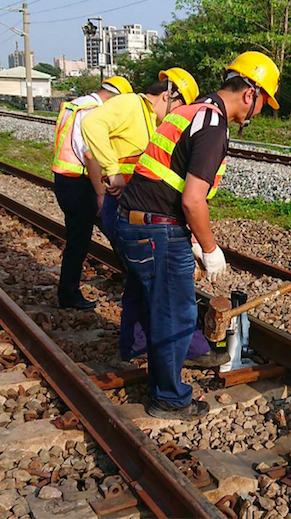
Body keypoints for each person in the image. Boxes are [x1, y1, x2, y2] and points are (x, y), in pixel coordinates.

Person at [114, 51, 281, 420]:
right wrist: (209, 247)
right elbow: (192, 199)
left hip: (138, 221)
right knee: (176, 313)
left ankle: (159, 381)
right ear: (250, 94)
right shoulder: (213, 125)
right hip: (157, 229)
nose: (259, 113)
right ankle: (170, 399)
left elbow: (170, 179)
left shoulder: (192, 109)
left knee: (157, 307)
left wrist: (186, 235)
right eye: (263, 103)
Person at [80, 68, 217, 365]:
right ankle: (187, 348)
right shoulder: (131, 104)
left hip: (140, 207)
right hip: (125, 207)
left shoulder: (153, 121)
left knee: (142, 280)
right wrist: (113, 171)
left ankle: (135, 344)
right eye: (180, 107)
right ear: (169, 95)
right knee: (163, 282)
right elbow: (91, 124)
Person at [50, 75, 131, 310]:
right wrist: (100, 193)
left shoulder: (76, 104)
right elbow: (89, 155)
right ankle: (68, 295)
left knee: (94, 233)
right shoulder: (92, 111)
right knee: (93, 235)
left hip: (66, 180)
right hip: (80, 184)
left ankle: (131, 277)